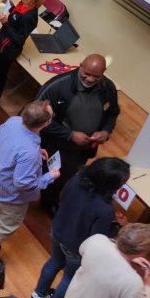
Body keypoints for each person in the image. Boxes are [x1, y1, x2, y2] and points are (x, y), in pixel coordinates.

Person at [32, 157, 130, 298]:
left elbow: (63, 198)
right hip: (76, 248)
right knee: (69, 278)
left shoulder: (75, 180)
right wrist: (119, 226)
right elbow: (97, 238)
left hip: (58, 230)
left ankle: (38, 294)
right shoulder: (105, 209)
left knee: (55, 261)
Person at [0, 100, 58, 266]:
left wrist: (37, 152)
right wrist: (49, 177)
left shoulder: (13, 122)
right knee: (3, 227)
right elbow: (23, 183)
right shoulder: (28, 151)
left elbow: (14, 147)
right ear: (45, 123)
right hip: (10, 198)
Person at [37, 54, 121, 215]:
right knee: (51, 175)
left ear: (104, 73)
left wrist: (106, 131)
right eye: (86, 74)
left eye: (96, 76)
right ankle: (48, 202)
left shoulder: (108, 88)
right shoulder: (57, 86)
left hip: (84, 149)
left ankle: (52, 198)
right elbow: (38, 119)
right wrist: (70, 135)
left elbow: (112, 114)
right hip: (56, 146)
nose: (90, 79)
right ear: (80, 66)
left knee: (66, 176)